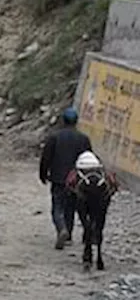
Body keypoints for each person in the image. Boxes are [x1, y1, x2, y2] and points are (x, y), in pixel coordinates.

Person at [39, 107, 92, 249]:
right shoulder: (83, 139)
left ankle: (61, 228)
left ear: (63, 120)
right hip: (76, 180)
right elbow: (88, 159)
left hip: (58, 178)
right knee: (71, 206)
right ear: (76, 121)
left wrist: (43, 174)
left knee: (57, 206)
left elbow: (46, 158)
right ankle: (68, 234)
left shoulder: (54, 137)